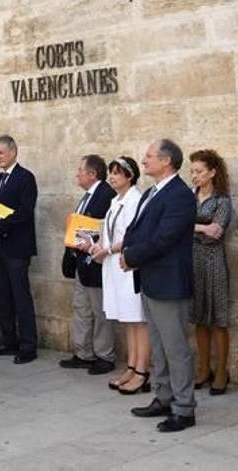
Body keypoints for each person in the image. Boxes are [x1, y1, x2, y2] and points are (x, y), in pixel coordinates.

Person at [123, 139, 197, 433]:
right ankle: (163, 397)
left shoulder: (180, 195)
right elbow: (138, 229)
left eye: (149, 156)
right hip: (151, 278)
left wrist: (131, 256)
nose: (144, 161)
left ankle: (184, 408)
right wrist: (128, 249)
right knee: (158, 343)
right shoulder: (152, 192)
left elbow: (164, 238)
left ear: (167, 161)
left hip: (169, 281)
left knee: (175, 347)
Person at [89, 157, 149, 394]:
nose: (112, 177)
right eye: (111, 173)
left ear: (130, 176)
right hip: (114, 264)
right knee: (127, 319)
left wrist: (109, 249)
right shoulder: (115, 200)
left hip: (128, 263)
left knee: (138, 319)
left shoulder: (136, 199)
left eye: (117, 173)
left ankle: (143, 370)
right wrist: (98, 247)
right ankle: (132, 366)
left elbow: (134, 235)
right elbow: (110, 232)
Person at [0, 135, 39, 364]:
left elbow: (25, 211)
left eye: (1, 153)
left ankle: (28, 345)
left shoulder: (25, 178)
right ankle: (8, 340)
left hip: (17, 247)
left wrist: (0, 226)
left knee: (20, 296)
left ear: (13, 152)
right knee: (1, 296)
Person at [59, 155, 117, 375]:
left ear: (93, 174)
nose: (77, 174)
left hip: (96, 263)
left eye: (80, 170)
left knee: (100, 312)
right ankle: (83, 353)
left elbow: (105, 230)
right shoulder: (87, 196)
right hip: (82, 263)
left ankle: (105, 355)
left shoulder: (105, 195)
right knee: (81, 308)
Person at [188, 149, 232, 396]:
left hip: (214, 263)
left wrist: (194, 229)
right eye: (192, 171)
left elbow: (218, 233)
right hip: (192, 262)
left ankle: (222, 372)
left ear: (212, 172)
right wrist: (202, 228)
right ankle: (203, 369)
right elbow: (180, 225)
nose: (194, 176)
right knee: (199, 318)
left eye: (199, 171)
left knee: (218, 320)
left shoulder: (222, 200)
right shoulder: (188, 197)